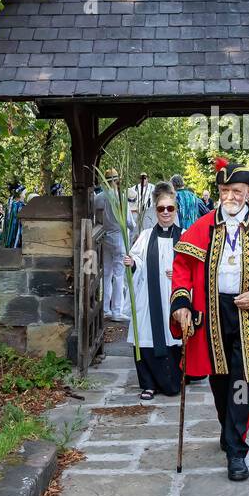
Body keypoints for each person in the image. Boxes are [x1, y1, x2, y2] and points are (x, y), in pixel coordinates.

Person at [170, 158, 249, 482]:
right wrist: (181, 303)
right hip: (211, 312)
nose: (231, 197)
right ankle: (228, 428)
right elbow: (182, 266)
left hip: (247, 314)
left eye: (237, 191)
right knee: (219, 376)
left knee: (242, 377)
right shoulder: (203, 225)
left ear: (248, 192)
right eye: (225, 190)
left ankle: (237, 450)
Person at [123, 182, 184, 401]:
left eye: (170, 208)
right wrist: (132, 263)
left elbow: (195, 265)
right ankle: (147, 384)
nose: (166, 213)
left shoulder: (184, 236)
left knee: (172, 339)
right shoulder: (146, 235)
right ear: (155, 210)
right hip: (149, 296)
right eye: (161, 209)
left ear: (175, 210)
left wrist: (178, 273)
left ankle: (172, 381)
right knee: (146, 335)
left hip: (173, 296)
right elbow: (137, 258)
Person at [94, 168, 129, 321]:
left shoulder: (99, 197)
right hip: (118, 237)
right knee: (119, 275)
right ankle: (116, 311)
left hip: (105, 236)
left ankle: (105, 309)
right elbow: (129, 222)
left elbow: (94, 215)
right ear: (116, 181)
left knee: (107, 274)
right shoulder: (120, 198)